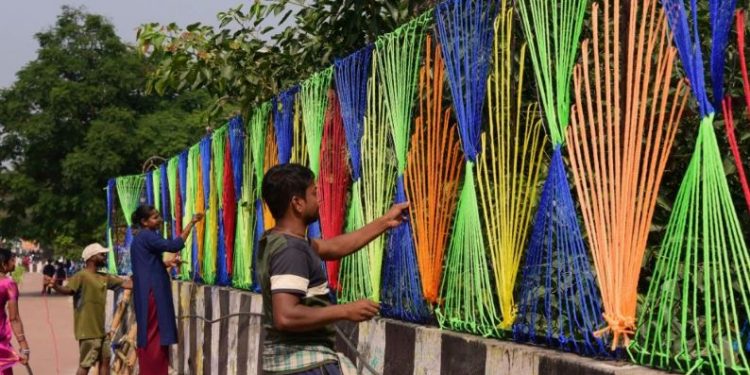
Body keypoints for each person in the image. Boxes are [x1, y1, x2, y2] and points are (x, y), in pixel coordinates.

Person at [259, 163, 409, 374]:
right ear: (297, 203)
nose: (319, 199)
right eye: (313, 193)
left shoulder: (281, 241)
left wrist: (385, 221)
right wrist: (345, 310)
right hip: (304, 367)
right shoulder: (291, 251)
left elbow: (334, 246)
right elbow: (286, 316)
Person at [130, 205, 203, 374]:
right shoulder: (148, 236)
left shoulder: (140, 238)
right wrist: (191, 223)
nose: (160, 220)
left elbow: (146, 265)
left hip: (146, 292)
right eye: (155, 217)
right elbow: (174, 245)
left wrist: (167, 263)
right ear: (144, 222)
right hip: (152, 292)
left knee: (152, 333)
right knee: (155, 335)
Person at [45, 243, 132, 375]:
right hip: (88, 330)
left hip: (101, 330)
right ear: (91, 258)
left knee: (105, 360)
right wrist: (56, 286)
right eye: (102, 255)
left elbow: (126, 284)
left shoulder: (104, 276)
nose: (104, 257)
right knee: (86, 364)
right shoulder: (81, 276)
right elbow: (69, 290)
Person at [0, 248, 29, 374]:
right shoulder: (8, 284)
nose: (14, 263)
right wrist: (24, 346)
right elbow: (14, 318)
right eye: (12, 260)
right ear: (3, 263)